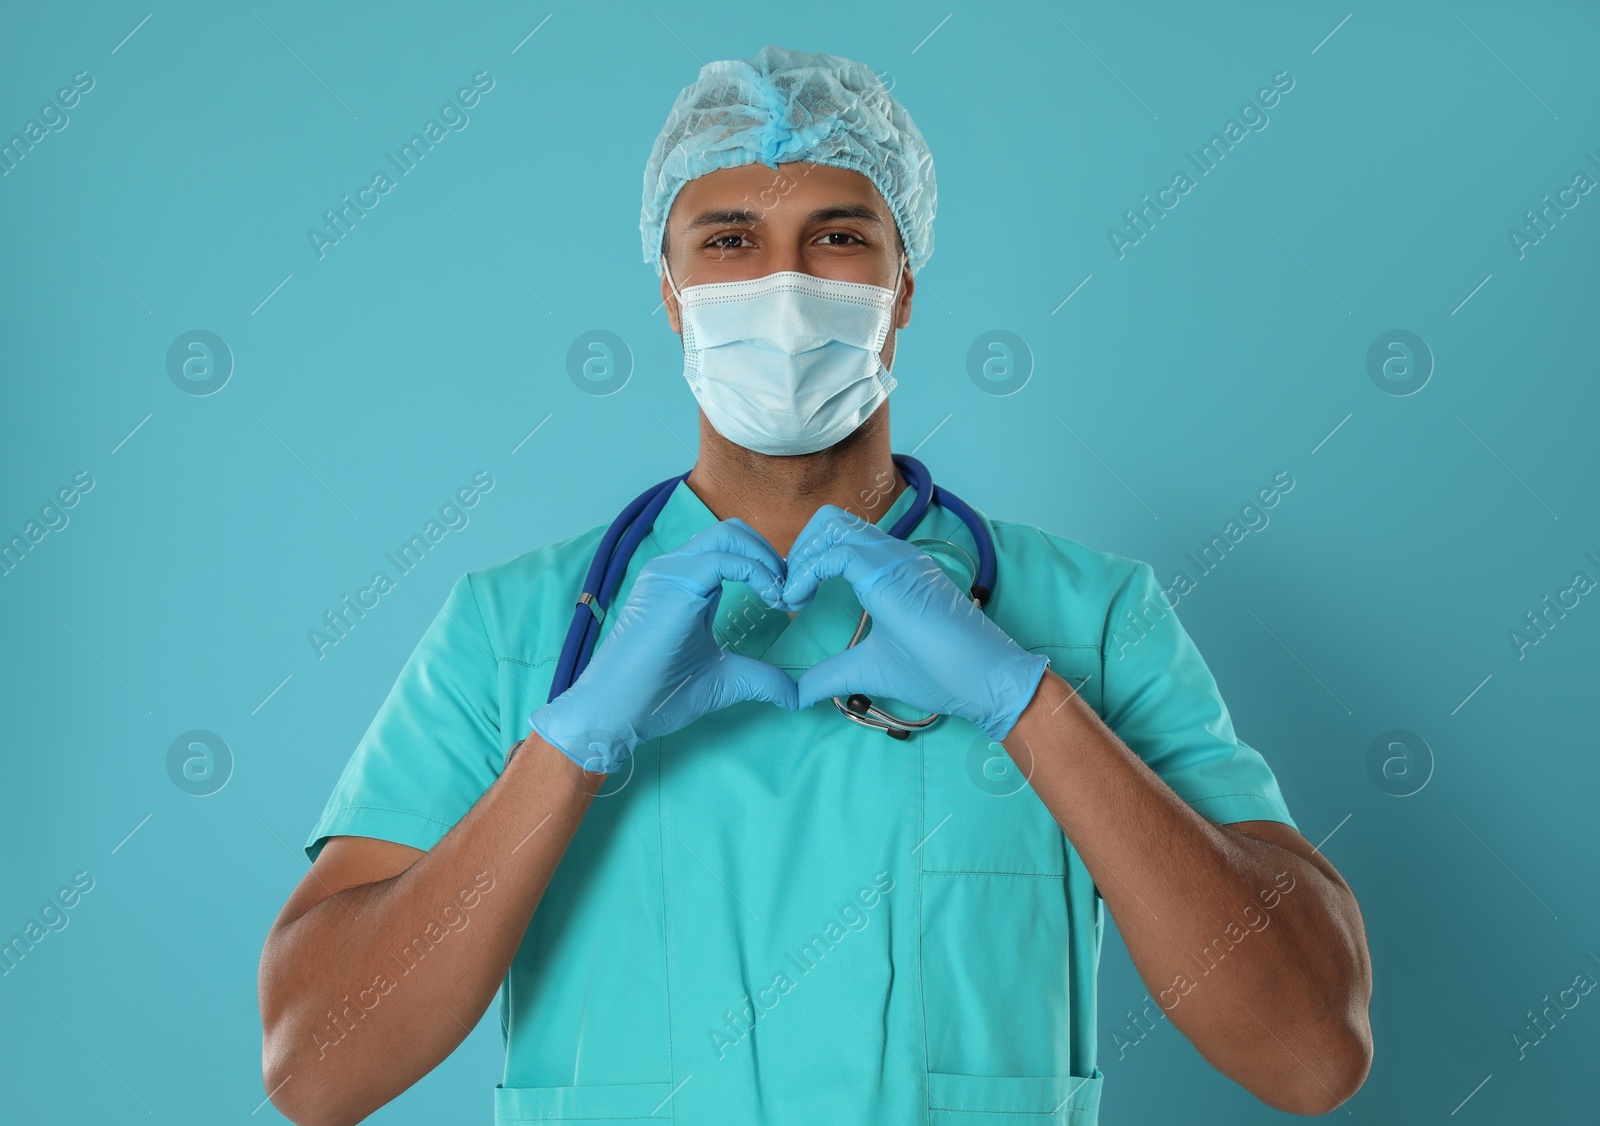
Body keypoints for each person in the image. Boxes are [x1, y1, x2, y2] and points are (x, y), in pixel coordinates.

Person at [258, 44, 1372, 1126]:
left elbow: (1311, 1050)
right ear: (669, 290)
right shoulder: (511, 630)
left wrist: (1032, 706)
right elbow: (315, 1068)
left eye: (838, 236)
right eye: (729, 238)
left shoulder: (1093, 618)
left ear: (902, 286)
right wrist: (566, 749)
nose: (782, 286)